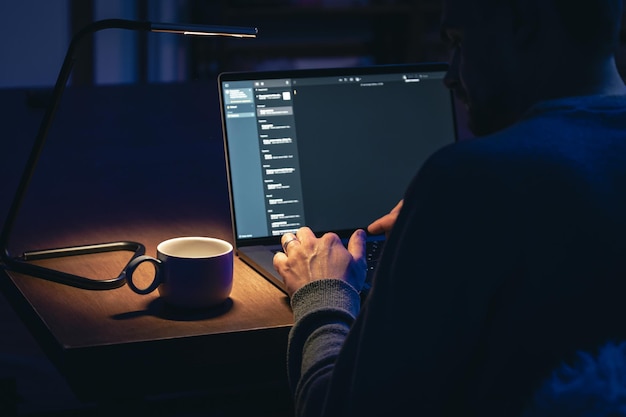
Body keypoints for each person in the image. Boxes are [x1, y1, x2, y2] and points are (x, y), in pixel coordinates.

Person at [272, 0, 626, 415]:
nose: (451, 75)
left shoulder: (472, 181)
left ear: (524, 24)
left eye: (459, 42)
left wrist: (323, 292)